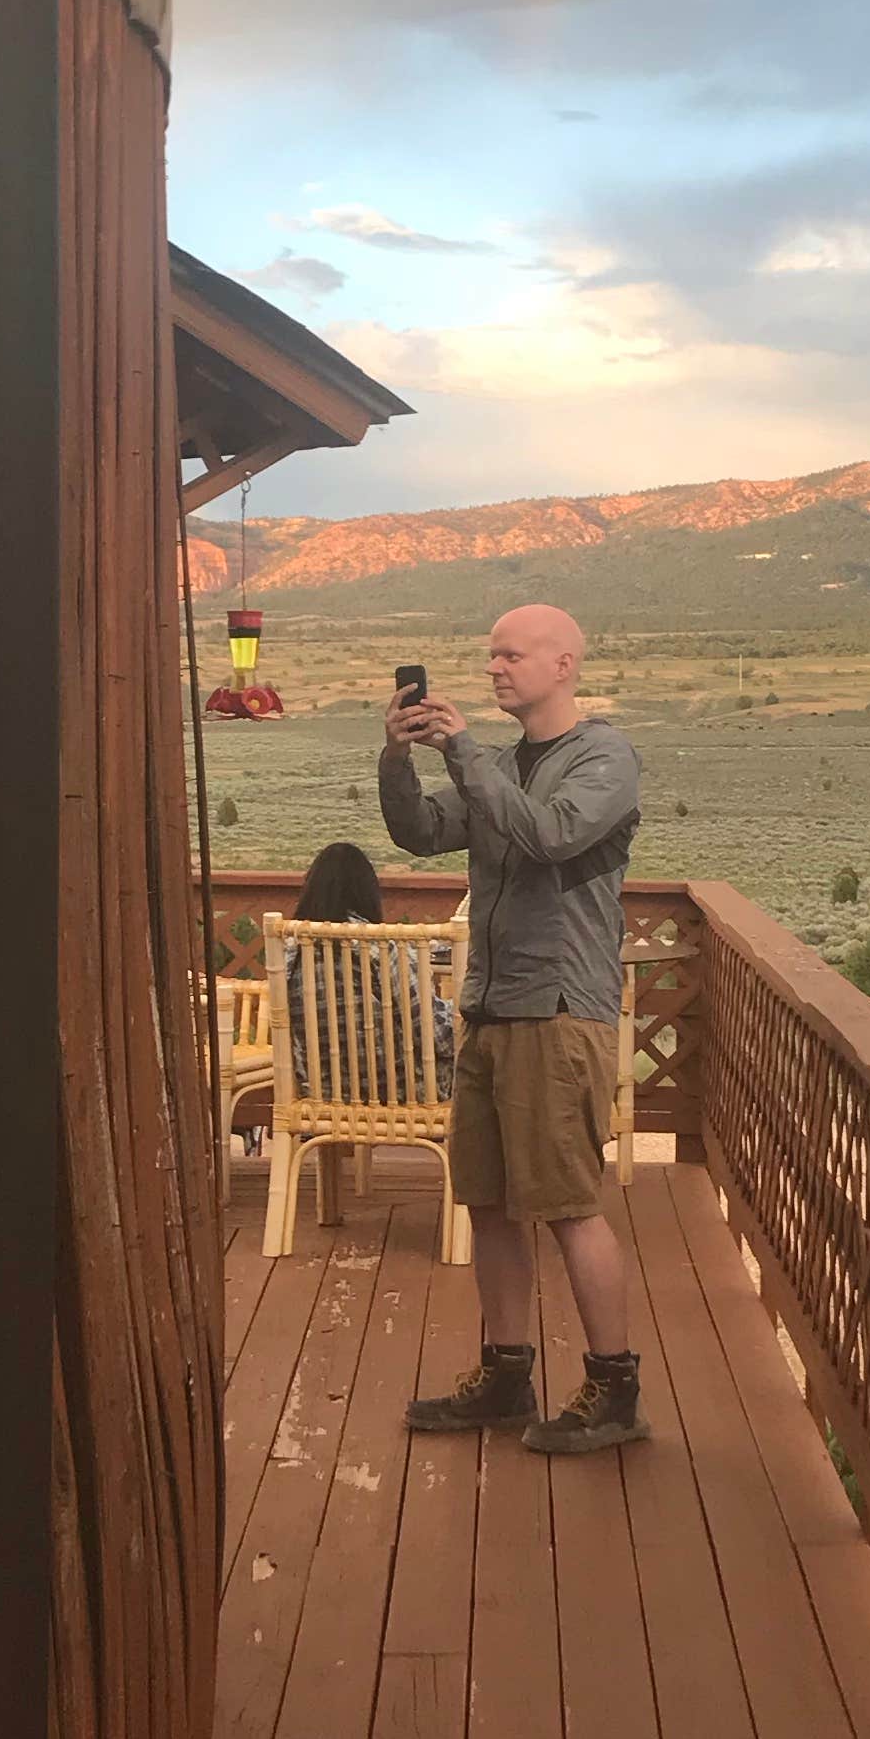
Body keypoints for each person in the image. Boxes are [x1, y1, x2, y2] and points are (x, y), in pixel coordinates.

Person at [381, 603, 645, 1453]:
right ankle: (505, 1377)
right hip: (492, 1006)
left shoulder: (602, 757)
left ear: (564, 664)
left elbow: (549, 836)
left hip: (559, 1010)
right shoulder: (496, 762)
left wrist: (462, 753)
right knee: (489, 1202)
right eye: (489, 654)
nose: (495, 668)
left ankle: (614, 1391)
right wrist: (397, 752)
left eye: (512, 654)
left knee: (568, 1204)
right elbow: (420, 832)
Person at [280, 838, 454, 1089]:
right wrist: (459, 1014)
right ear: (366, 890)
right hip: (403, 1091)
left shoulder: (291, 951)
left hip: (327, 1092)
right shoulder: (380, 947)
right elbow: (435, 1036)